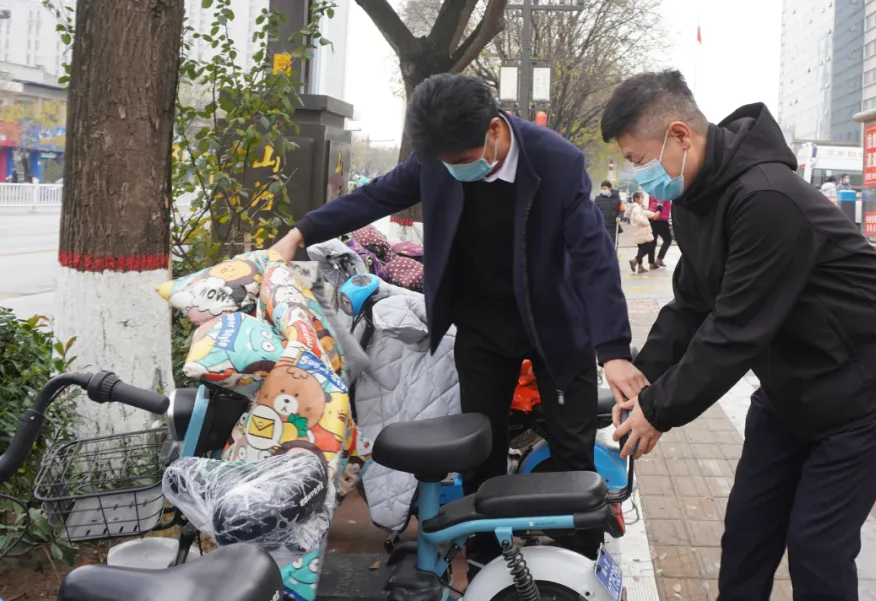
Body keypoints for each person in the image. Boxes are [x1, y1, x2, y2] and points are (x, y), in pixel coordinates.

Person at [270, 74, 647, 570]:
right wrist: (299, 233)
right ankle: (488, 557)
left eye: (463, 162)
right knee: (480, 452)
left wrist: (614, 349)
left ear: (495, 130)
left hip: (557, 324)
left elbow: (594, 257)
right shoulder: (436, 160)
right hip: (482, 326)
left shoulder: (557, 162)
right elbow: (375, 197)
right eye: (444, 164)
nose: (453, 171)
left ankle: (577, 562)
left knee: (571, 451)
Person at [600, 70, 876, 601]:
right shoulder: (696, 198)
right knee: (749, 531)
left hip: (865, 381)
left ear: (681, 135)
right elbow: (692, 302)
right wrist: (645, 379)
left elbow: (736, 328)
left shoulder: (765, 198)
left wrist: (660, 409)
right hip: (793, 383)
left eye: (639, 158)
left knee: (817, 544)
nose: (637, 173)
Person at [626, 192, 657, 273]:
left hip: (639, 232)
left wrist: (653, 214)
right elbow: (639, 218)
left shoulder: (637, 207)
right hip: (641, 231)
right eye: (641, 198)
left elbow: (643, 213)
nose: (643, 199)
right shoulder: (636, 208)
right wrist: (646, 223)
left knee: (641, 249)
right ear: (636, 199)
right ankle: (634, 260)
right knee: (649, 247)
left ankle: (640, 266)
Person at [594, 180, 623, 246]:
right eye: (602, 188)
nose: (603, 190)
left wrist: (619, 217)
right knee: (601, 245)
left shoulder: (617, 198)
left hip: (613, 226)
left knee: (613, 244)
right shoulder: (597, 199)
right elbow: (594, 211)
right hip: (601, 226)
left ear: (610, 188)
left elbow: (621, 210)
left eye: (605, 188)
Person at [647, 196, 673, 268]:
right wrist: (659, 211)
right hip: (660, 218)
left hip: (652, 217)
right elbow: (660, 200)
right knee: (668, 239)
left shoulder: (652, 192)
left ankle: (651, 263)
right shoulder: (662, 190)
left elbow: (650, 204)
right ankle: (659, 258)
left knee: (653, 241)